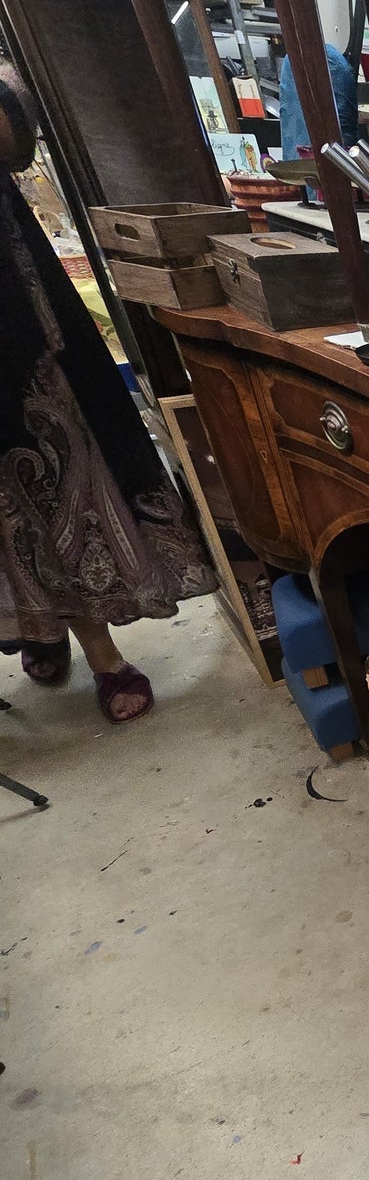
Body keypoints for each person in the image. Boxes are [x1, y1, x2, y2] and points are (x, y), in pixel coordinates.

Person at [0, 65, 216, 722]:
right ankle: (39, 625)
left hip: (13, 308)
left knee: (56, 460)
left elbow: (14, 146)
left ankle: (98, 646)